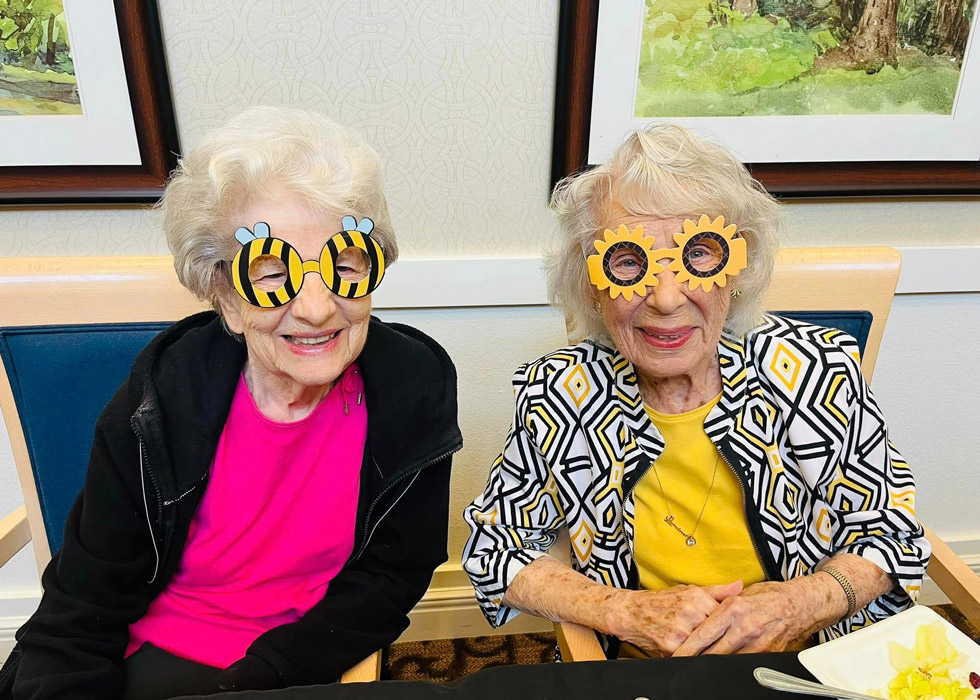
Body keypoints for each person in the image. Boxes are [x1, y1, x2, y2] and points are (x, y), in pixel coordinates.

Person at [3, 107, 461, 700]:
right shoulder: (160, 399)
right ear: (224, 294)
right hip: (142, 651)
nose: (317, 308)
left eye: (343, 265)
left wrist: (265, 673)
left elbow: (392, 575)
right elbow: (86, 597)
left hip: (291, 660)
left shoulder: (414, 386)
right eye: (272, 274)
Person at [462, 124, 928, 659]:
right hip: (648, 670)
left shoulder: (813, 369)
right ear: (592, 287)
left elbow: (892, 532)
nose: (664, 298)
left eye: (699, 254)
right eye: (629, 262)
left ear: (738, 269)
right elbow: (495, 548)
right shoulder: (561, 393)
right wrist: (621, 611)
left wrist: (800, 603)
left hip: (809, 660)